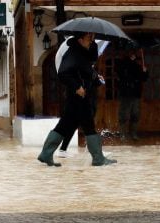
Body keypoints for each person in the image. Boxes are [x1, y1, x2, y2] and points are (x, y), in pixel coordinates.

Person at [38, 32, 116, 167]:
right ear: (80, 40)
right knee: (88, 125)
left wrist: (96, 78)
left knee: (64, 125)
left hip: (80, 95)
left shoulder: (84, 52)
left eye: (92, 38)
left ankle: (46, 154)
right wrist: (77, 87)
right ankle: (98, 158)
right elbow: (63, 73)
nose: (91, 41)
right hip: (79, 95)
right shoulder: (74, 53)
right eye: (89, 38)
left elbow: (86, 70)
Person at [116, 48, 148, 140]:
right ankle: (122, 134)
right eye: (131, 53)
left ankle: (133, 133)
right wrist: (131, 61)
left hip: (135, 94)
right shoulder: (122, 63)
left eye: (134, 53)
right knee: (123, 114)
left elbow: (143, 79)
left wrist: (145, 72)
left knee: (135, 114)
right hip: (125, 93)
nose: (133, 54)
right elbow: (121, 73)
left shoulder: (137, 65)